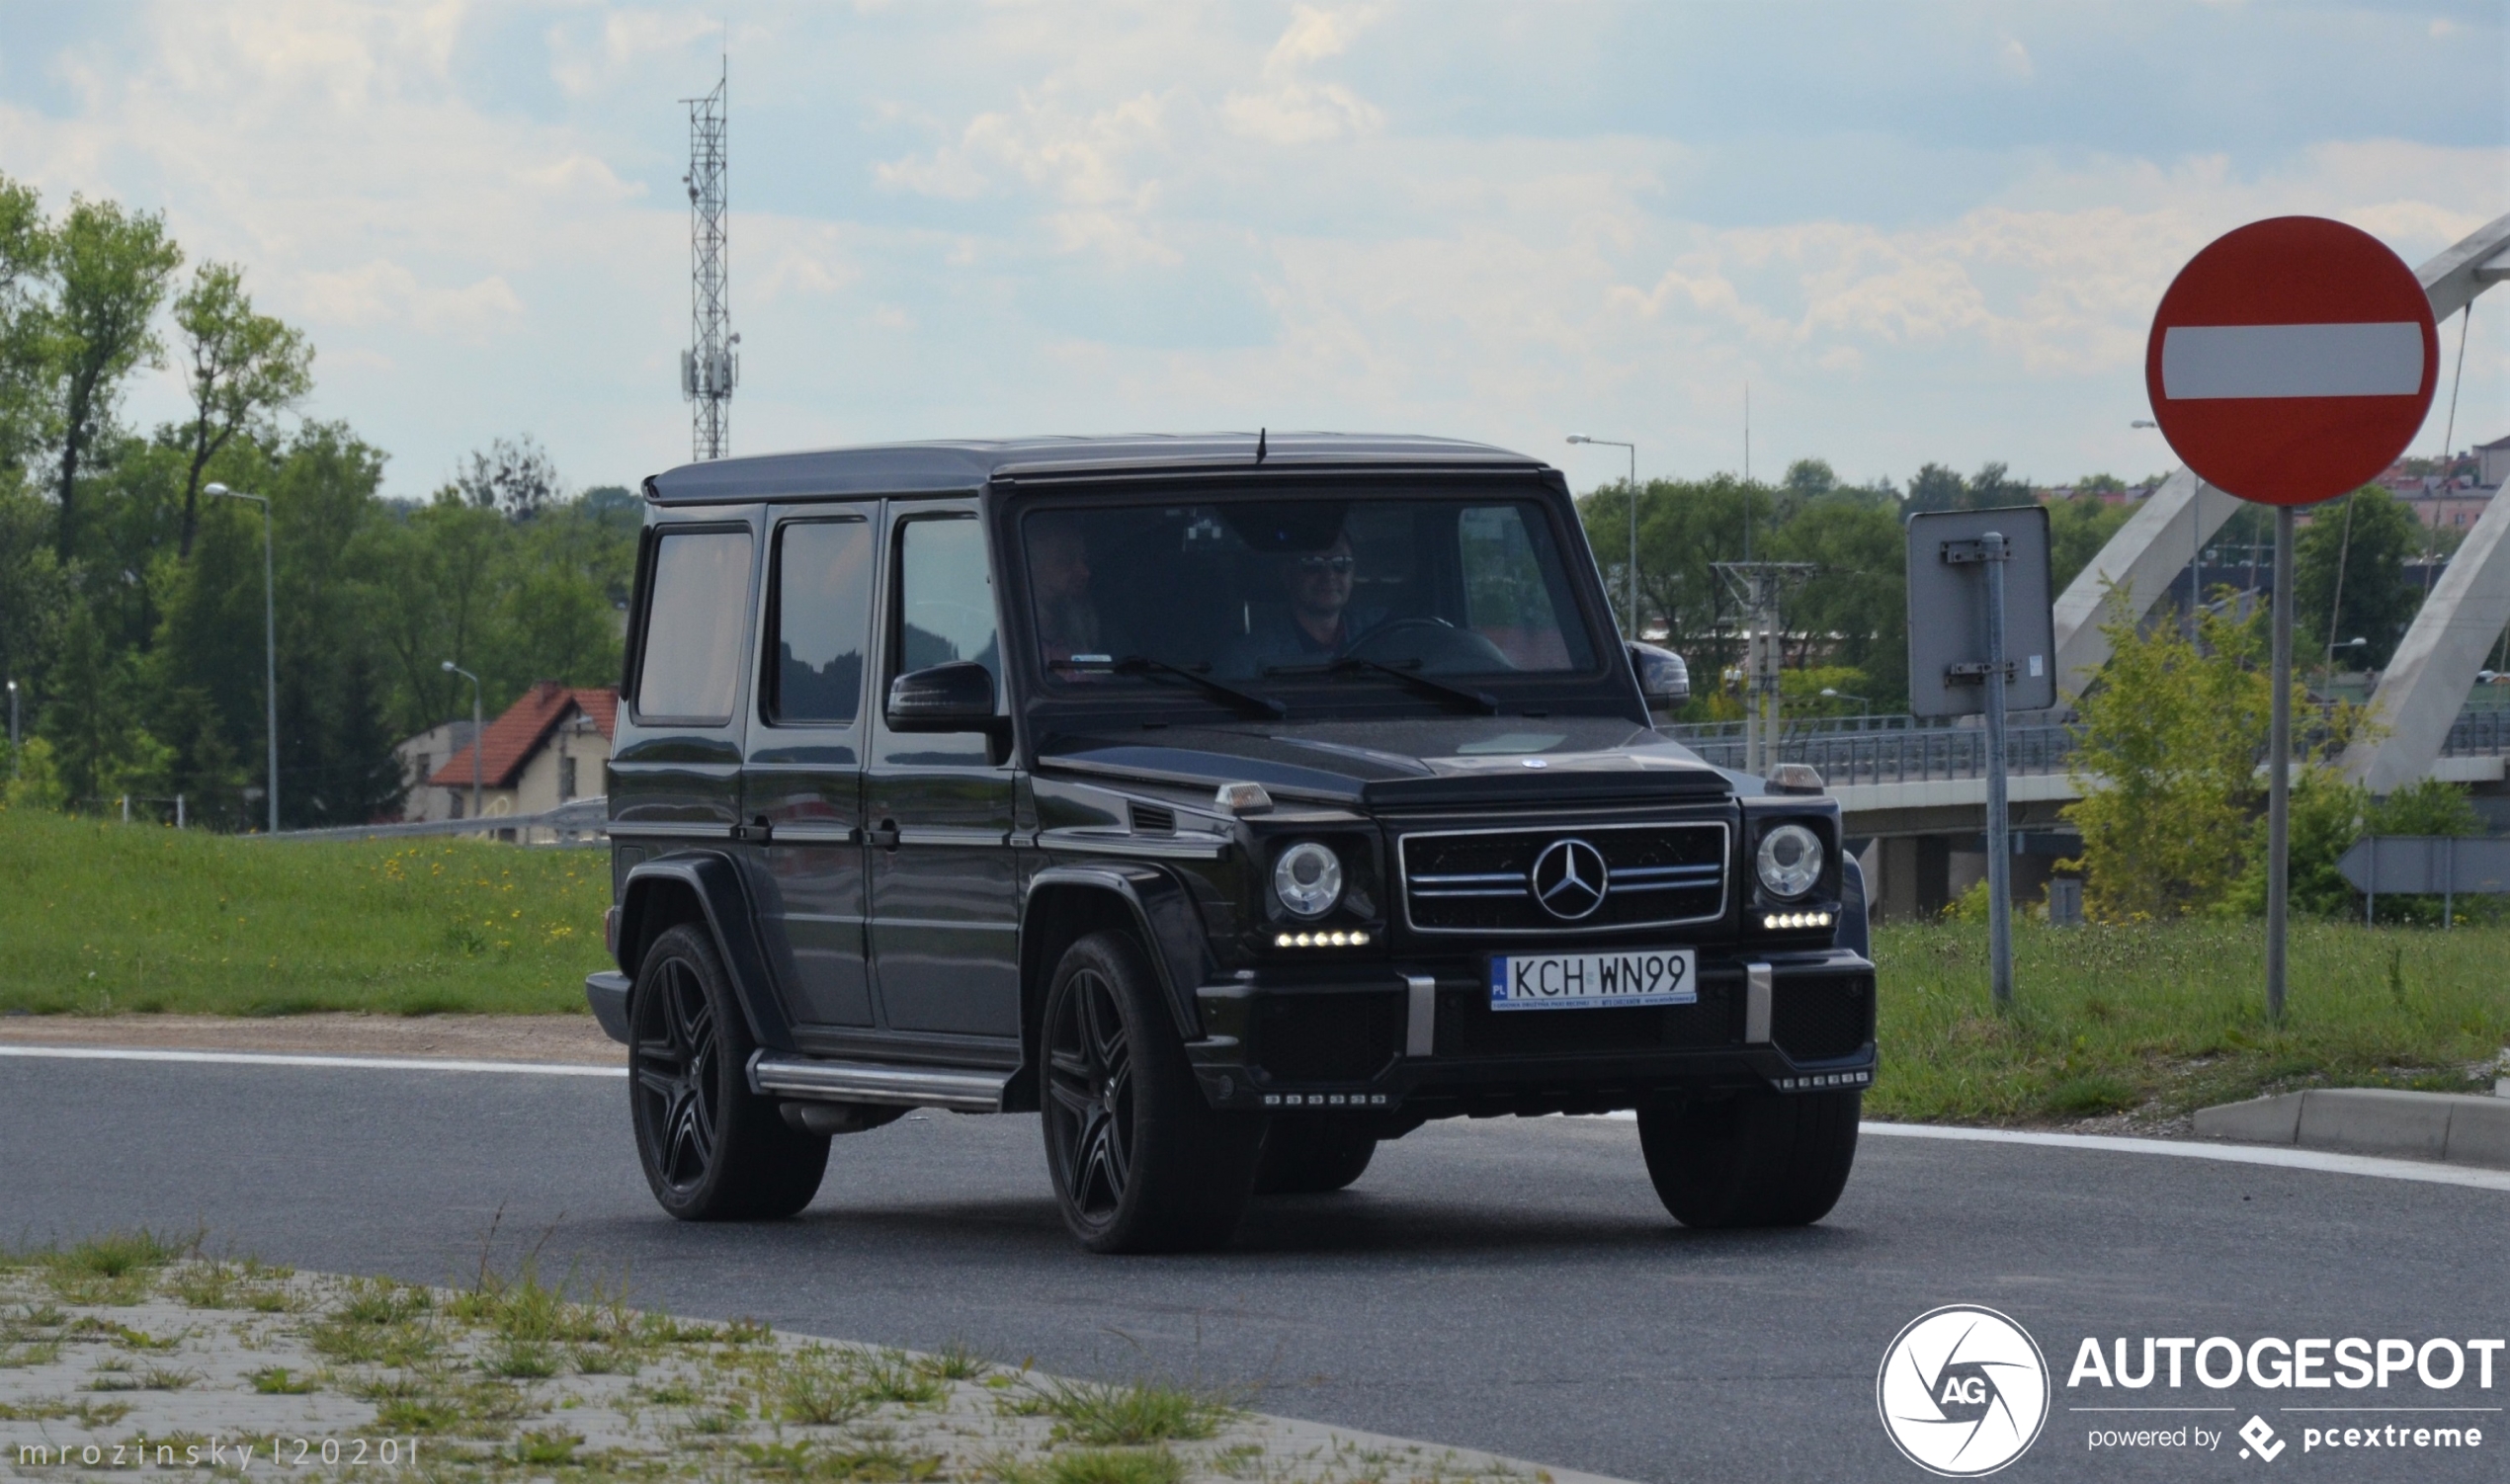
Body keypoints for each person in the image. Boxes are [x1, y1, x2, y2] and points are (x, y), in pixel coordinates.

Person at [1221, 533, 1384, 676]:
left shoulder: (1383, 633)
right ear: (1287, 574)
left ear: (1353, 573)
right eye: (1313, 563)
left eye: (1341, 563)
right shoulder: (1248, 657)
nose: (1329, 575)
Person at [1028, 515, 1105, 668]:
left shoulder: (1102, 628)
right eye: (1065, 561)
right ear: (1031, 567)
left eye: (1084, 559)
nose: (1085, 572)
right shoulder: (1012, 646)